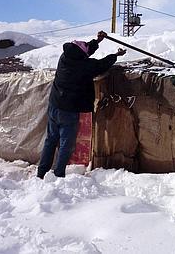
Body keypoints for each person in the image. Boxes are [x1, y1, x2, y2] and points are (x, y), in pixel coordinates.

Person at [37, 31, 126, 179]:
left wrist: (97, 41)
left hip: (54, 105)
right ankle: (58, 175)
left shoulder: (64, 57)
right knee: (66, 144)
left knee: (50, 140)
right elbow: (101, 65)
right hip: (69, 110)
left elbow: (84, 53)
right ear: (81, 55)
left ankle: (41, 173)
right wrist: (116, 55)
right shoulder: (84, 66)